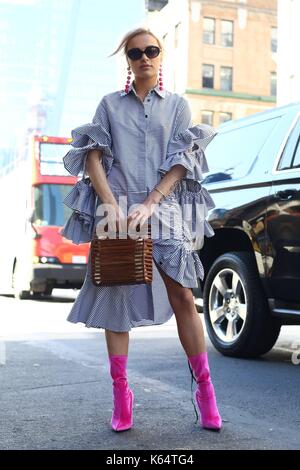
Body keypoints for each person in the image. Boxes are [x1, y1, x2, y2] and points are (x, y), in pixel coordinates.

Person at [62, 27, 222, 433]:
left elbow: (182, 160)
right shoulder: (109, 105)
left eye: (151, 50)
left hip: (162, 207)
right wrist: (112, 208)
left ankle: (204, 390)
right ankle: (121, 395)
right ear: (128, 61)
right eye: (136, 53)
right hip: (115, 211)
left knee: (183, 296)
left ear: (161, 55)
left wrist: (152, 201)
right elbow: (92, 157)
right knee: (115, 300)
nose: (144, 57)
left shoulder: (177, 106)